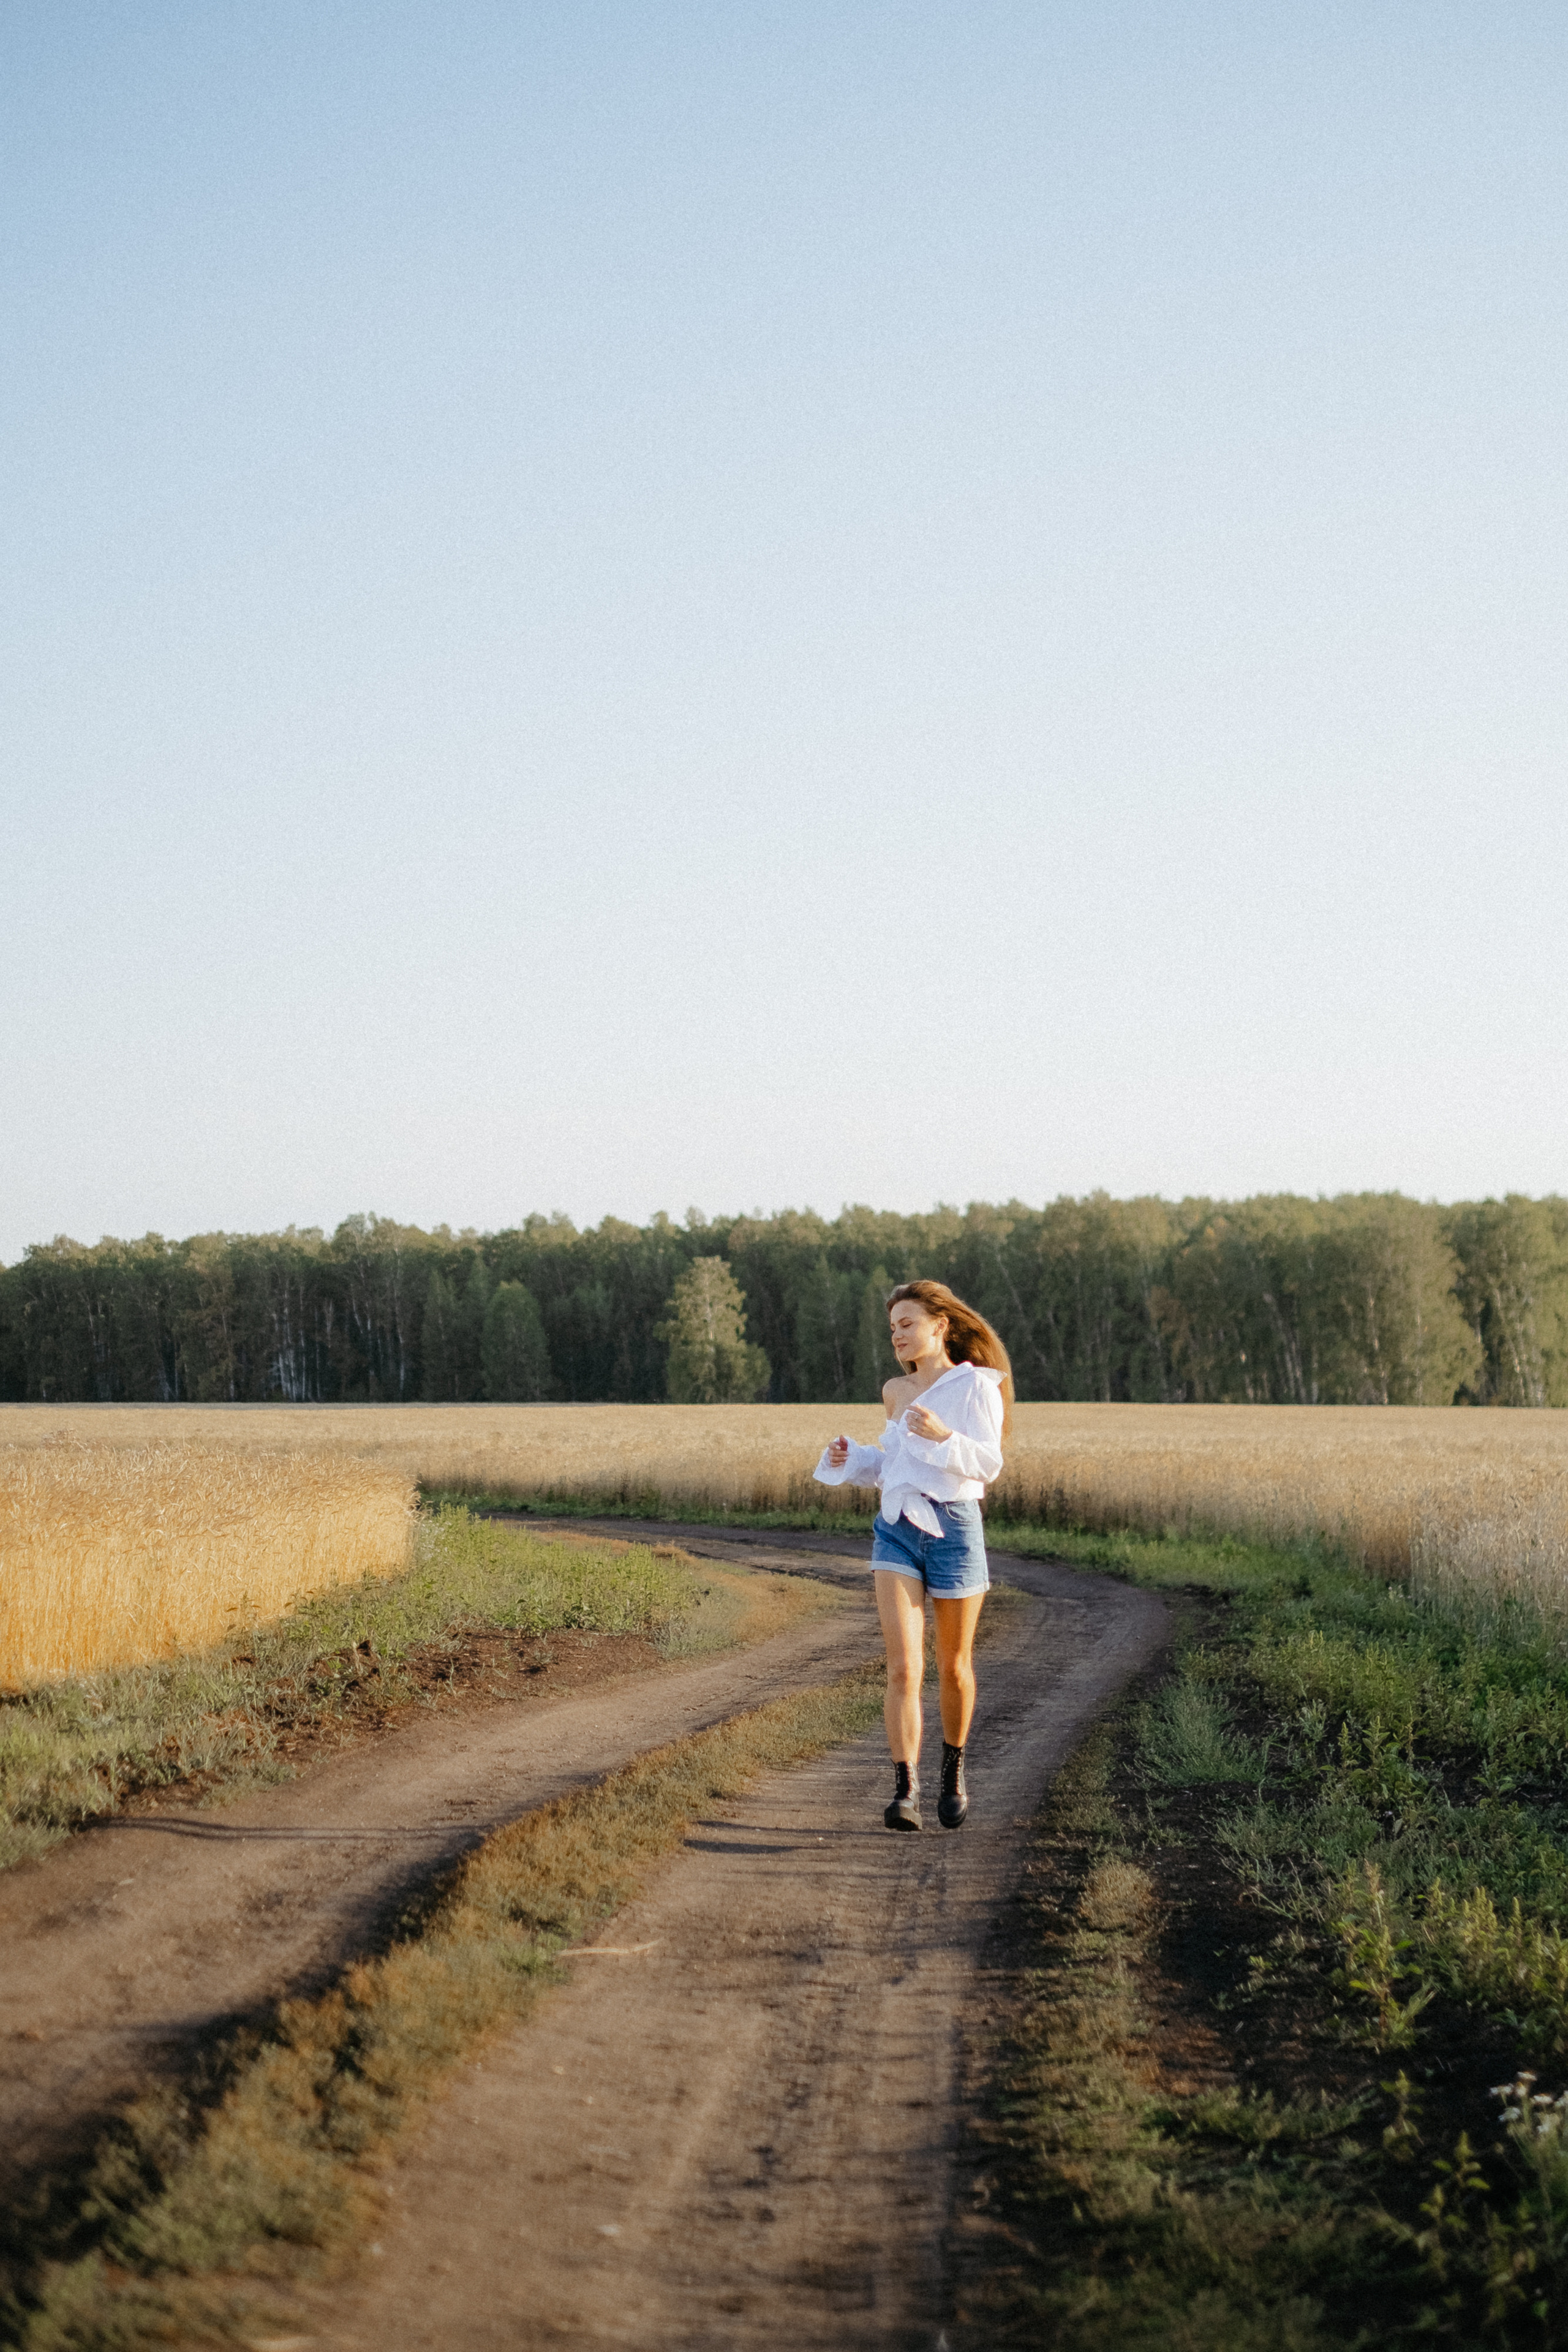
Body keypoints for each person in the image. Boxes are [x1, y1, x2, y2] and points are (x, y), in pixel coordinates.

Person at [813, 1280, 1012, 1832]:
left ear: (939, 1326)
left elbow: (987, 1465)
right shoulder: (896, 1392)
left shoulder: (975, 1387)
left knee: (953, 1668)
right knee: (903, 1667)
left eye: (907, 1324)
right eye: (892, 1328)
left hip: (954, 1528)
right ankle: (906, 1790)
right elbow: (895, 1466)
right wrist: (852, 1459)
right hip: (897, 1527)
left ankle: (953, 1771)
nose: (897, 1336)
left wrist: (947, 1435)